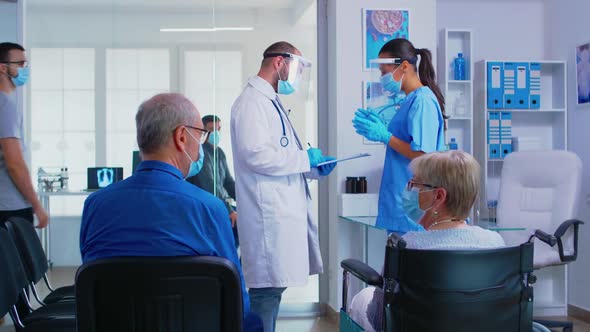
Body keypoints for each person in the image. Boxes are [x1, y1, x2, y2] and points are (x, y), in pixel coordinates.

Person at [80, 93, 261, 331]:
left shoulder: (95, 205)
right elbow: (235, 299)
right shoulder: (209, 208)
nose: (203, 144)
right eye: (201, 135)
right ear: (182, 137)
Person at [230, 41, 335, 332]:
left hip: (279, 217)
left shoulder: (269, 101)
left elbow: (280, 157)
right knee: (265, 296)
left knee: (271, 295)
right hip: (268, 220)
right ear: (279, 62)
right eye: (297, 67)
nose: (298, 76)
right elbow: (256, 155)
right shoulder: (252, 102)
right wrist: (304, 158)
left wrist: (313, 167)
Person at [348, 150, 505, 332]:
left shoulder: (407, 247)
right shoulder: (495, 242)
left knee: (362, 298)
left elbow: (379, 317)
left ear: (438, 196)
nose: (409, 191)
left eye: (415, 184)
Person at [352, 38, 446, 233]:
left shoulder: (423, 102)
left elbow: (423, 155)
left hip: (412, 203)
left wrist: (385, 136)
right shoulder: (410, 101)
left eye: (384, 72)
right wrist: (383, 129)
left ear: (404, 66)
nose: (382, 77)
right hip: (401, 198)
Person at [0, 42, 48, 229]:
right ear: (3, 68)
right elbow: (15, 164)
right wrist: (37, 206)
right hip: (11, 208)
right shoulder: (6, 106)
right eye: (20, 64)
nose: (24, 69)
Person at [187, 114, 239, 247]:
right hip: (210, 205)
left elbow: (228, 181)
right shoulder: (200, 153)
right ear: (204, 131)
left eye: (219, 129)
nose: (216, 133)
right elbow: (209, 186)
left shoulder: (219, 152)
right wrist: (229, 210)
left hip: (224, 203)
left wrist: (245, 201)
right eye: (211, 129)